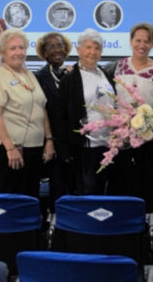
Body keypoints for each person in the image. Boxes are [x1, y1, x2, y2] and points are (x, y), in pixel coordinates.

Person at [105, 23, 153, 213]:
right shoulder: (115, 68)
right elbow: (101, 91)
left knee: (148, 187)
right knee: (120, 185)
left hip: (149, 141)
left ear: (152, 43)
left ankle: (148, 226)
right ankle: (121, 226)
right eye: (138, 40)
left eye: (147, 41)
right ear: (130, 41)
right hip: (120, 141)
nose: (141, 45)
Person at [0, 29, 55, 197]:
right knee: (12, 198)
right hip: (11, 149)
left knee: (31, 195)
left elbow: (42, 108)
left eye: (21, 47)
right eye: (12, 48)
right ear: (3, 52)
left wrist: (49, 140)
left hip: (34, 147)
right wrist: (10, 148)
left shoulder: (29, 75)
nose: (18, 52)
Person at [55, 29, 116, 195]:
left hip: (107, 146)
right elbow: (60, 116)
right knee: (87, 192)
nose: (92, 52)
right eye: (88, 47)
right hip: (83, 148)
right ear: (79, 50)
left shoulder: (106, 75)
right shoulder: (69, 78)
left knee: (104, 191)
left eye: (97, 48)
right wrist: (64, 148)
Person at [34, 32, 75, 206]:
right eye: (52, 46)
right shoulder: (37, 77)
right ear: (44, 52)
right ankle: (53, 224)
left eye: (60, 45)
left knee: (73, 188)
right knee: (56, 188)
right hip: (50, 142)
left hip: (72, 142)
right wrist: (49, 140)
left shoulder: (72, 75)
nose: (58, 50)